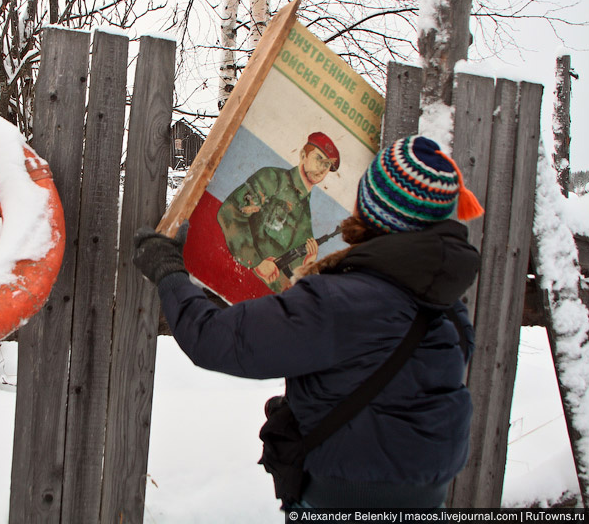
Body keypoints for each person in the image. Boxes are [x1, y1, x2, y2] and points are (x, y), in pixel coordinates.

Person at [133, 135, 484, 512]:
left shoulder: (345, 301)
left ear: (370, 209)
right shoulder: (447, 309)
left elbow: (215, 339)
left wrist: (169, 273)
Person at [217, 131, 340, 292]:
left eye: (327, 165)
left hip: (252, 296)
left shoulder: (306, 221)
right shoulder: (272, 179)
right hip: (226, 274)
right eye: (319, 159)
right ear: (303, 155)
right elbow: (229, 212)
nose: (322, 169)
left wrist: (306, 265)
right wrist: (256, 261)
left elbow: (285, 280)